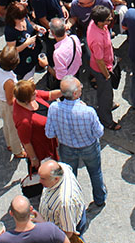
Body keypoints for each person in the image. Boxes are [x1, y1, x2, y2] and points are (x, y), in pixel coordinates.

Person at [45, 76, 107, 207]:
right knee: (95, 173)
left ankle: (72, 202)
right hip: (89, 147)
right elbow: (99, 133)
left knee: (69, 177)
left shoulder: (54, 108)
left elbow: (49, 133)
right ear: (75, 94)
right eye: (80, 87)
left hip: (66, 147)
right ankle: (100, 199)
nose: (82, 88)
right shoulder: (88, 111)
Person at [0, 195, 69, 243]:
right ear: (31, 209)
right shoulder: (49, 228)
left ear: (11, 213)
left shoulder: (5, 240)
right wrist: (43, 223)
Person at [36, 160, 86, 243]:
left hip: (68, 225)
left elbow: (67, 233)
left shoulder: (64, 203)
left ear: (56, 179)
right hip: (70, 216)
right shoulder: (62, 167)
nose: (39, 181)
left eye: (43, 179)